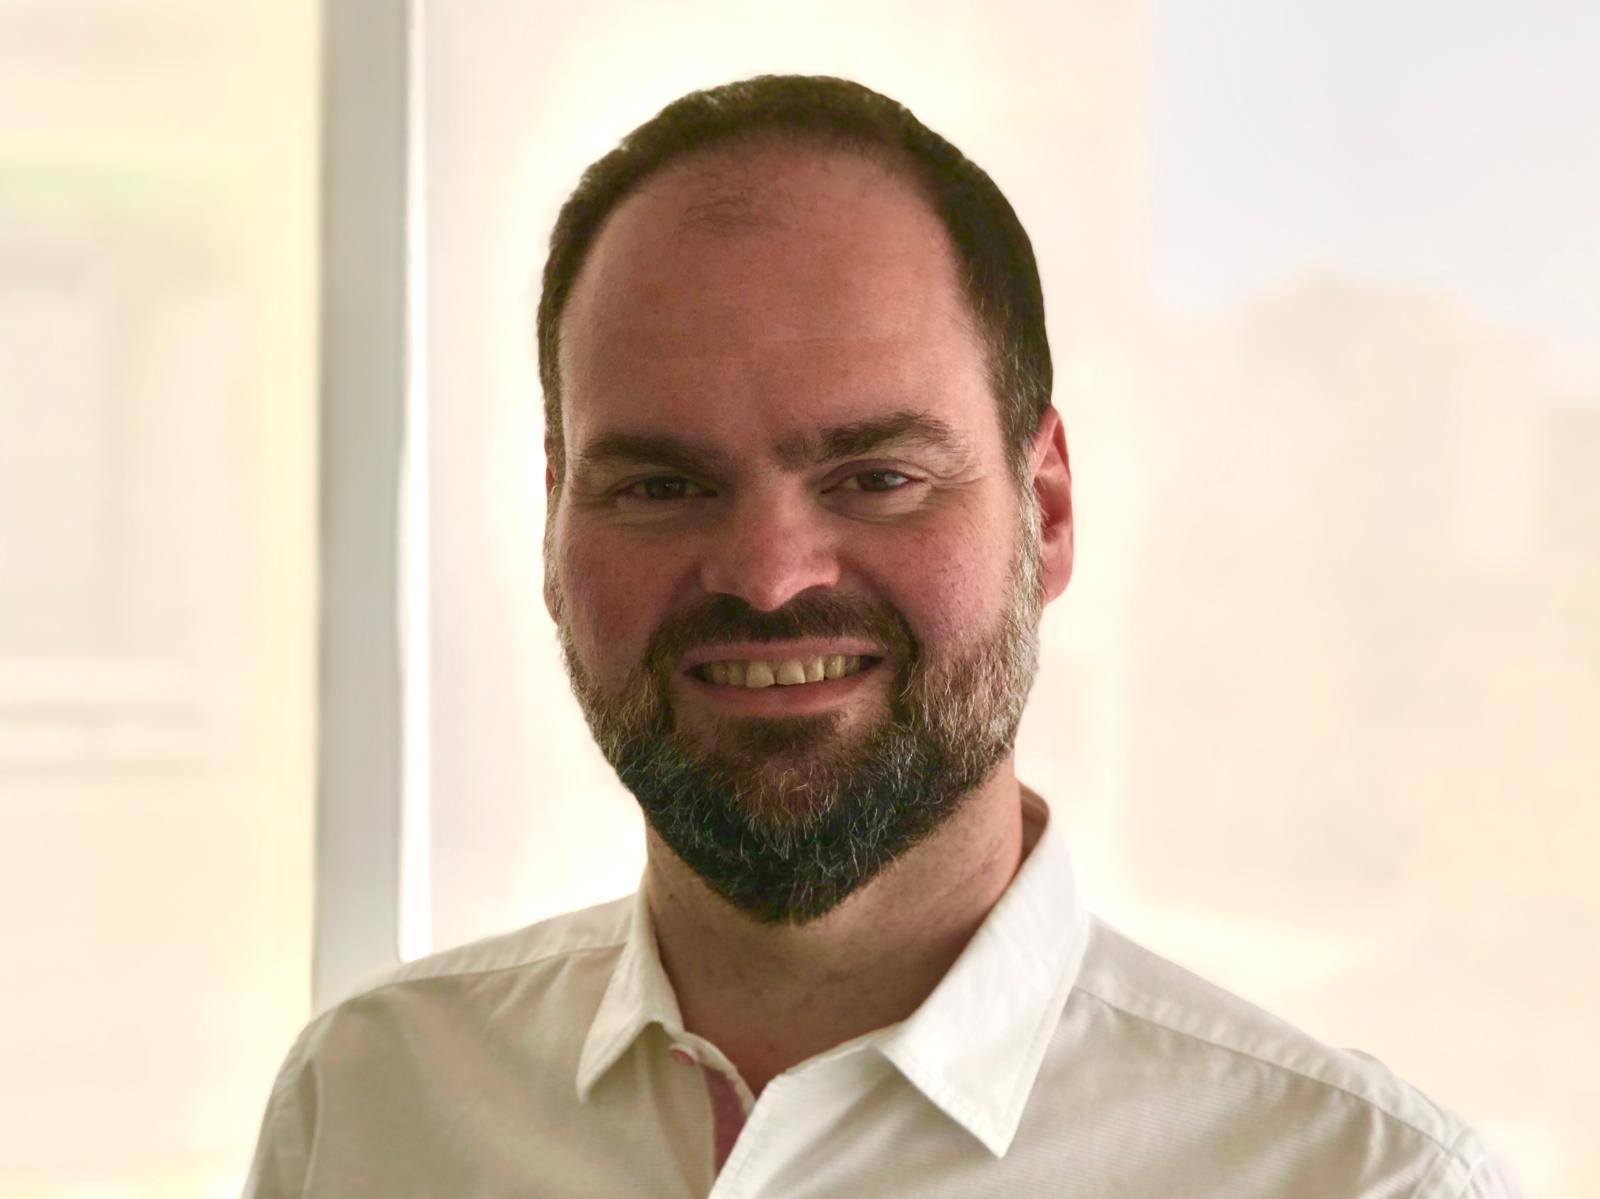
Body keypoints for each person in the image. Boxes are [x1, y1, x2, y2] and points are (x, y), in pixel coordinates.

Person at [245, 75, 1524, 1198]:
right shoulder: (367, 1108)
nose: (766, 578)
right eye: (660, 485)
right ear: (552, 519)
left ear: (1047, 512)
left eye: (876, 477)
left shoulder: (1359, 1179)